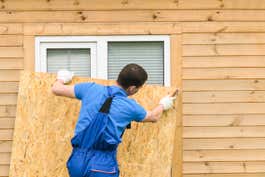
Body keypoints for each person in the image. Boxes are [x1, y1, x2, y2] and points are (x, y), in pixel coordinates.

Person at [51, 63, 176, 177]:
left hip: (77, 162)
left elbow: (56, 89)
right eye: (139, 88)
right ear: (132, 88)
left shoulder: (90, 89)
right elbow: (153, 116)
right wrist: (163, 104)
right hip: (102, 166)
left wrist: (62, 78)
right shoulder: (130, 106)